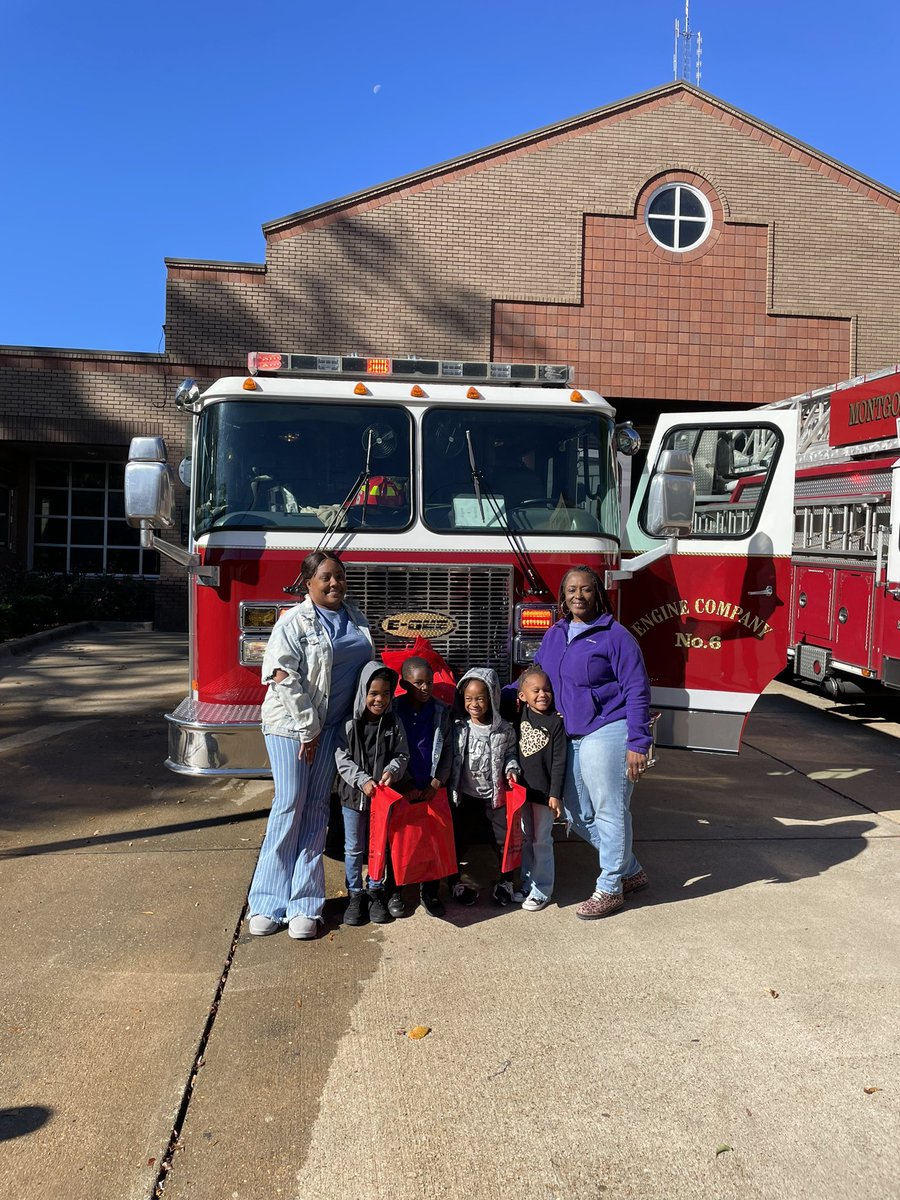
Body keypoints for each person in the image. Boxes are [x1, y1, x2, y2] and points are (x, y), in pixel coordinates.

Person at [246, 551, 374, 940]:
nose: (334, 584)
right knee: (289, 805)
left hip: (334, 729)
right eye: (326, 578)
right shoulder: (293, 621)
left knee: (318, 809)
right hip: (291, 728)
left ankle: (304, 904)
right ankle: (268, 902)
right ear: (308, 583)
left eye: (339, 577)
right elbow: (282, 675)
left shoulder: (356, 617)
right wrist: (308, 729)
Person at [535, 565, 651, 920]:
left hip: (608, 728)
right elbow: (537, 677)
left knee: (609, 809)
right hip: (569, 732)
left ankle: (610, 887)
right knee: (572, 810)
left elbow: (637, 690)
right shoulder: (554, 634)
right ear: (563, 596)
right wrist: (503, 697)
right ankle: (629, 868)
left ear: (597, 594)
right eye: (571, 590)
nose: (578, 596)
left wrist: (638, 741)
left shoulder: (616, 637)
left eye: (585, 589)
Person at [334, 663, 409, 926]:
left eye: (386, 693)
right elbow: (341, 759)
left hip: (382, 800)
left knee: (379, 845)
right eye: (373, 693)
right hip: (354, 797)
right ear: (362, 693)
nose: (380, 699)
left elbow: (402, 754)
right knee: (354, 848)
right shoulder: (349, 724)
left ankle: (375, 888)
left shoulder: (393, 722)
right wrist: (362, 780)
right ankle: (355, 894)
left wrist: (392, 771)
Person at [447, 667, 520, 906]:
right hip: (465, 795)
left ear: (492, 697)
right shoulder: (459, 727)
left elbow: (510, 753)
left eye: (480, 698)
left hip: (494, 795)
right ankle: (454, 882)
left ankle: (506, 881)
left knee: (502, 840)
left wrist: (511, 769)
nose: (474, 704)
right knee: (459, 839)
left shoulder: (504, 729)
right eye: (469, 698)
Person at [394, 656, 455, 918]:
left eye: (429, 682)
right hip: (402, 786)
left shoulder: (441, 710)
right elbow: (389, 749)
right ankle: (394, 889)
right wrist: (404, 782)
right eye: (418, 682)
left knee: (431, 840)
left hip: (430, 785)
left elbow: (449, 749)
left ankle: (429, 891)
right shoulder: (394, 709)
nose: (425, 688)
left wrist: (437, 780)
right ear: (405, 683)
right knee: (400, 840)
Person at [513, 667, 567, 912]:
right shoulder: (518, 716)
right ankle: (527, 881)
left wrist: (555, 794)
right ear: (522, 695)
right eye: (535, 690)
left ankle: (542, 889)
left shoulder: (555, 723)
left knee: (541, 840)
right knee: (526, 838)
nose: (542, 694)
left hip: (544, 795)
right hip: (523, 793)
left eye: (546, 690)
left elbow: (558, 761)